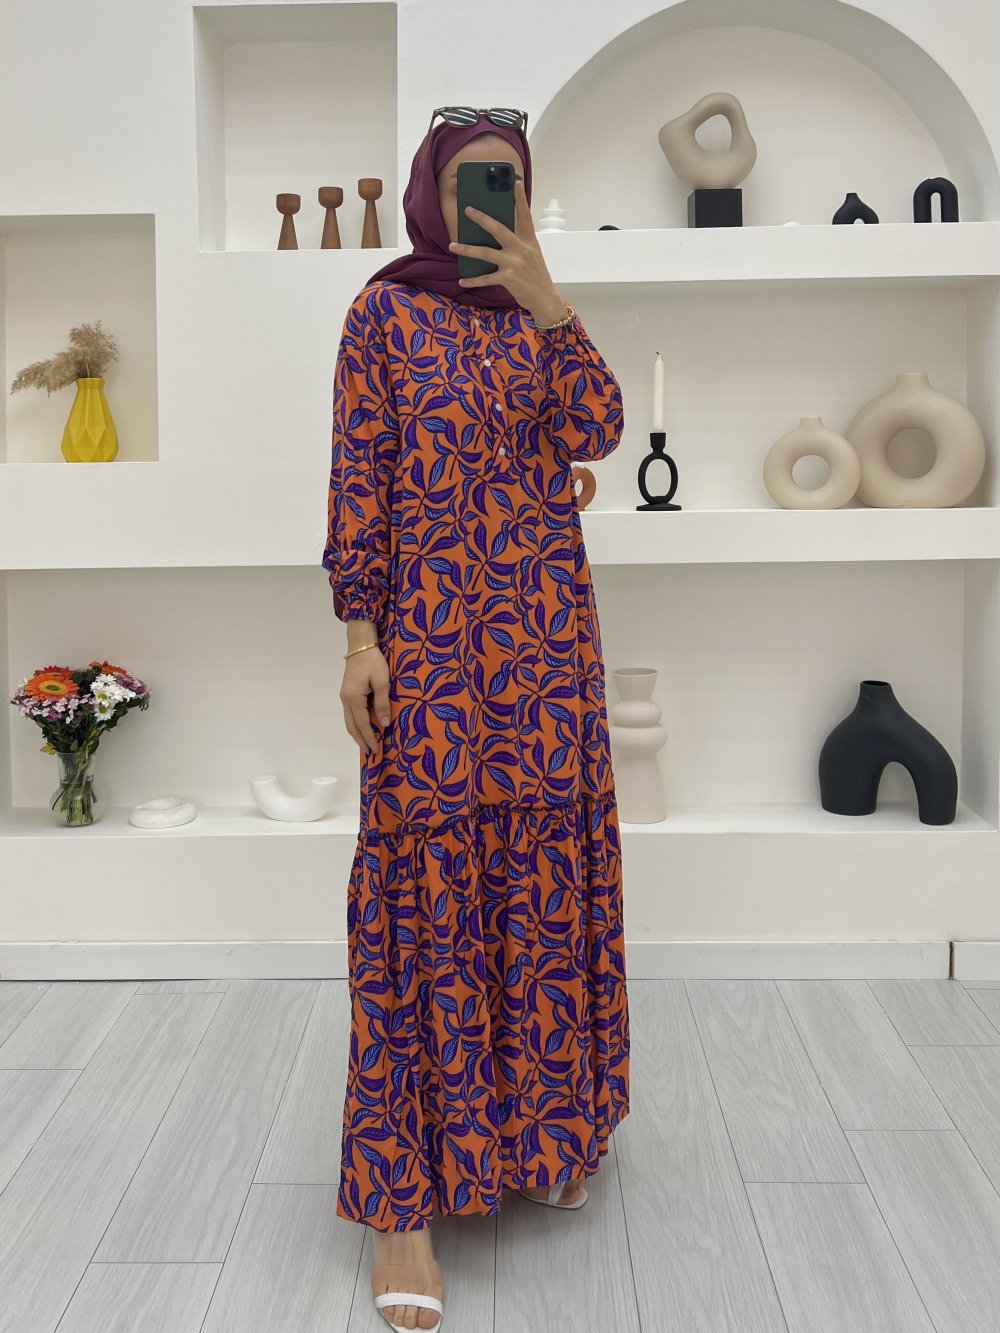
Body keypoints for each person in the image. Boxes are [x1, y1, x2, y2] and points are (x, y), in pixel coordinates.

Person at [322, 105, 631, 1333]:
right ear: (430, 195)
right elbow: (358, 479)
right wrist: (360, 640)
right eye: (467, 181)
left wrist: (551, 304)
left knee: (542, 888)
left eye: (505, 180)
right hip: (435, 650)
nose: (485, 200)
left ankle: (539, 1130)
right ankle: (399, 1206)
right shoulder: (384, 314)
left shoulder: (543, 321)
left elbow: (597, 430)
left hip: (546, 654)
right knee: (417, 895)